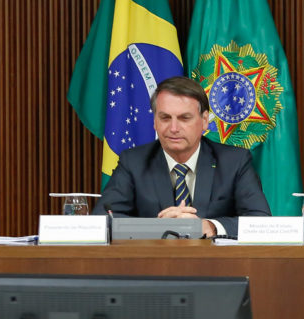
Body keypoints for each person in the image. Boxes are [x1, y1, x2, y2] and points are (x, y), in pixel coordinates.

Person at [96, 76, 271, 237]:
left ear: (204, 121)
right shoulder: (133, 162)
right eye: (165, 118)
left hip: (216, 266)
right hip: (153, 265)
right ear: (154, 122)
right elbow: (101, 221)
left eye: (184, 118)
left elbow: (260, 221)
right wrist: (157, 227)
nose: (173, 128)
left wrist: (210, 226)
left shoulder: (234, 161)